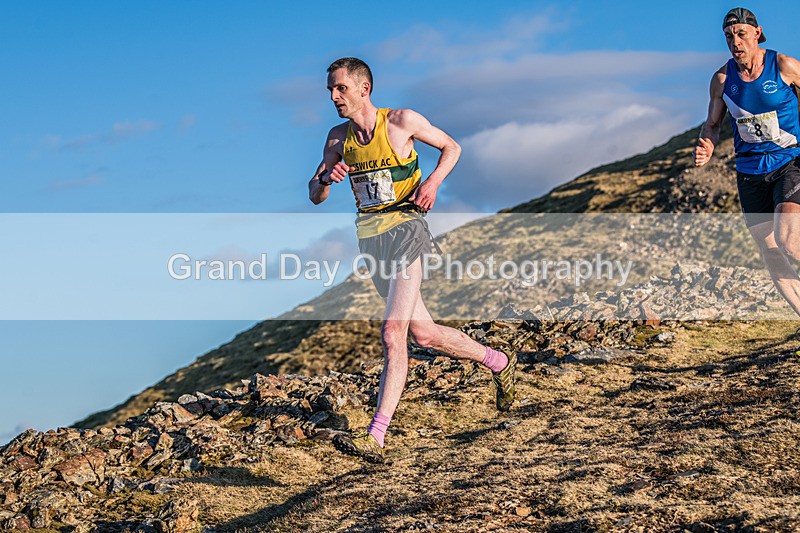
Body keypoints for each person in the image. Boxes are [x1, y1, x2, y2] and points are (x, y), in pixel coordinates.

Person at [309, 57, 517, 463]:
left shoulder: (401, 122)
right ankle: (499, 361)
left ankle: (376, 436)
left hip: (407, 231)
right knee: (424, 335)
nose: (334, 97)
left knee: (392, 332)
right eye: (331, 91)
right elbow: (315, 195)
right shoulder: (337, 139)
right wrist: (324, 180)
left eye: (341, 89)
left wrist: (433, 182)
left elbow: (452, 147)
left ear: (364, 89)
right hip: (372, 241)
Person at [695, 8, 800, 317]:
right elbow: (711, 125)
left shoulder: (784, 66)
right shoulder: (722, 79)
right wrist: (707, 145)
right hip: (750, 172)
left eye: (741, 34)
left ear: (757, 33)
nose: (735, 42)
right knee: (770, 252)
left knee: (790, 240)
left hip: (789, 163)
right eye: (729, 36)